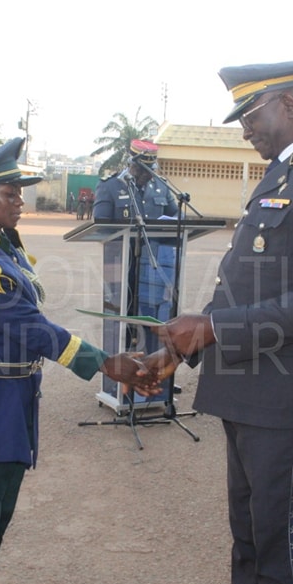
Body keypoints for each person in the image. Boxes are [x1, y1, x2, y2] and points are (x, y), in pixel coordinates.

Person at [145, 61, 293, 584]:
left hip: (286, 397)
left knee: (278, 539)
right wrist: (176, 352)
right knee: (248, 533)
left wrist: (213, 329)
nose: (245, 127)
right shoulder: (285, 174)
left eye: (251, 112)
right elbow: (243, 284)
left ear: (289, 105)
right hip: (246, 391)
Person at [0, 138, 158, 584]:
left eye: (19, 192)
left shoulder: (1, 247)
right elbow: (30, 329)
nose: (19, 201)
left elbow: (29, 324)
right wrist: (104, 363)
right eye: (8, 193)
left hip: (10, 400)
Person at [92, 139, 181, 404]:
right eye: (142, 168)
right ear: (131, 163)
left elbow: (175, 220)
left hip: (152, 267)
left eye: (150, 168)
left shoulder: (161, 186)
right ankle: (117, 383)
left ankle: (154, 378)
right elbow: (100, 223)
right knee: (121, 322)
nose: (146, 174)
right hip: (119, 264)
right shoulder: (111, 186)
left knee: (153, 322)